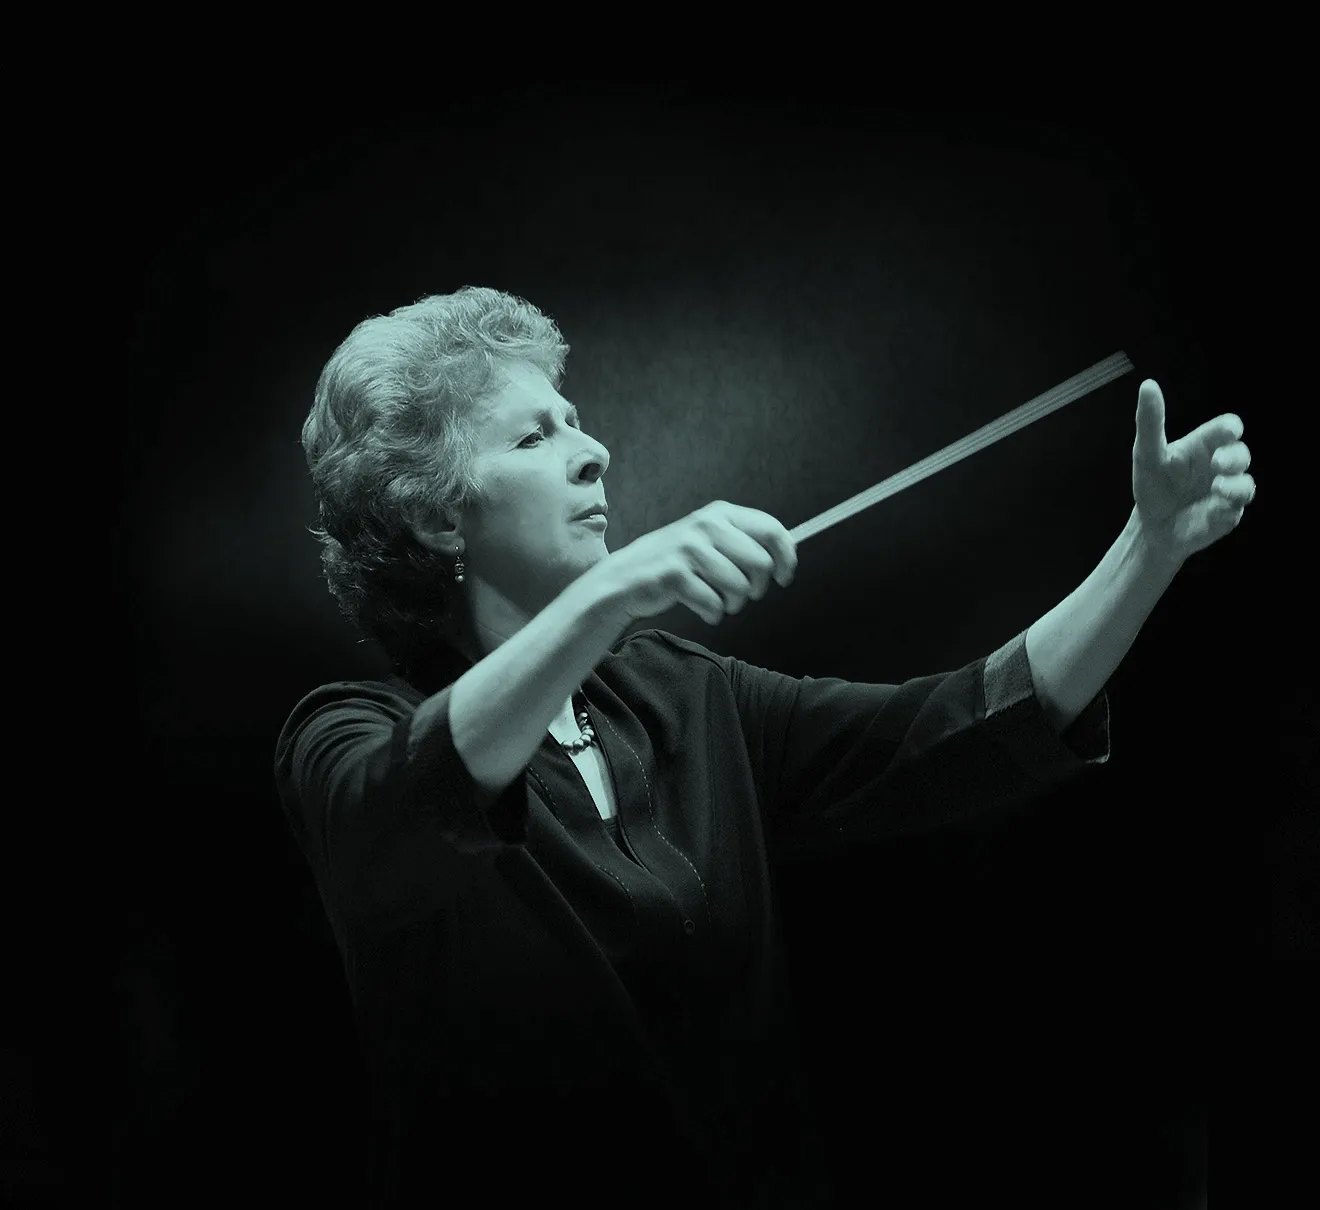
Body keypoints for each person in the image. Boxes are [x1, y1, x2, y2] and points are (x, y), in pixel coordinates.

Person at [274, 287, 1253, 1209]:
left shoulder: (679, 692)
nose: (595, 451)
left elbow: (963, 724)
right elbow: (410, 802)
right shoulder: (340, 733)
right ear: (437, 513)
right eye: (536, 435)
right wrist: (604, 597)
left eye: (576, 419)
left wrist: (1149, 549)